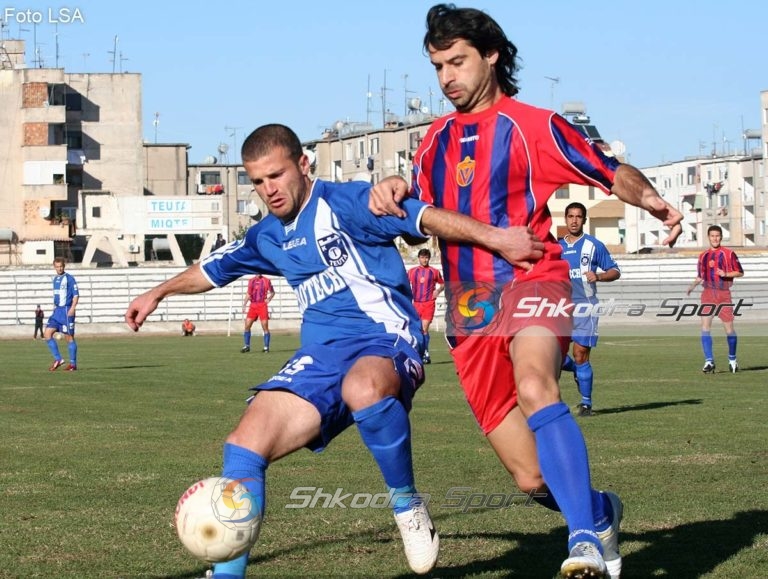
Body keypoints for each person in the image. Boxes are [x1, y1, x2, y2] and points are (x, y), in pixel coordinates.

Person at [125, 123, 533, 579]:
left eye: (276, 176)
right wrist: (157, 293)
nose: (268, 190)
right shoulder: (268, 235)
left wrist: (497, 238)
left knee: (364, 386)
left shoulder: (348, 203)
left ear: (303, 164)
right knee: (243, 446)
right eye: (257, 182)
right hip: (321, 357)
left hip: (387, 338)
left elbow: (425, 218)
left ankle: (407, 506)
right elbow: (213, 269)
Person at [369, 5, 683, 578]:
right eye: (438, 66)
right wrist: (393, 186)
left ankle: (584, 540)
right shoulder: (433, 141)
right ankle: (599, 511)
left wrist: (652, 199)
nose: (447, 77)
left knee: (537, 385)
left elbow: (608, 170)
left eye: (457, 61)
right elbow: (417, 203)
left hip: (534, 278)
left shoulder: (534, 125)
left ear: (491, 55)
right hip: (469, 305)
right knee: (530, 478)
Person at [559, 203, 621, 417]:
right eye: (570, 216)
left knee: (580, 354)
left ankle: (586, 404)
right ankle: (579, 372)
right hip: (559, 309)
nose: (574, 220)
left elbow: (615, 271)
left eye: (578, 217)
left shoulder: (594, 245)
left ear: (584, 220)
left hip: (586, 307)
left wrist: (600, 276)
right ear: (565, 219)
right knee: (552, 356)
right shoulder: (555, 248)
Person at [686, 225, 744, 373]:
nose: (715, 238)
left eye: (717, 236)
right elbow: (700, 275)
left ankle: (732, 359)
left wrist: (725, 273)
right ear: (708, 237)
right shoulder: (703, 256)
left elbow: (739, 272)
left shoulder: (729, 253)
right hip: (708, 294)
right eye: (712, 236)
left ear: (721, 237)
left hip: (724, 294)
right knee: (705, 327)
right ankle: (709, 361)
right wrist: (692, 286)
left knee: (729, 330)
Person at [408, 248, 444, 364]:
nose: (424, 260)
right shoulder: (412, 271)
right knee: (417, 329)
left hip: (429, 303)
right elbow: (403, 282)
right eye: (422, 257)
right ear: (419, 258)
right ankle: (421, 352)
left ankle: (425, 353)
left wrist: (437, 291)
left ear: (429, 258)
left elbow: (443, 283)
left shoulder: (434, 271)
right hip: (416, 303)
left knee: (424, 328)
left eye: (426, 257)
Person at [44, 257, 79, 371]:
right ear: (54, 267)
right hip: (57, 311)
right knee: (47, 334)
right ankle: (58, 359)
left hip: (66, 310)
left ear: (64, 266)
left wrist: (73, 308)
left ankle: (73, 365)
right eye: (57, 267)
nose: (59, 268)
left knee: (69, 338)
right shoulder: (55, 279)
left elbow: (76, 295)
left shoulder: (69, 279)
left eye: (61, 266)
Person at [241, 273, 274, 353]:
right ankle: (247, 346)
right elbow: (248, 293)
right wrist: (244, 304)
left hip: (262, 305)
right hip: (253, 305)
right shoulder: (251, 281)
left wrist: (269, 298)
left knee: (264, 326)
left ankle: (266, 347)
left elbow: (272, 292)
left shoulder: (266, 280)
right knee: (247, 325)